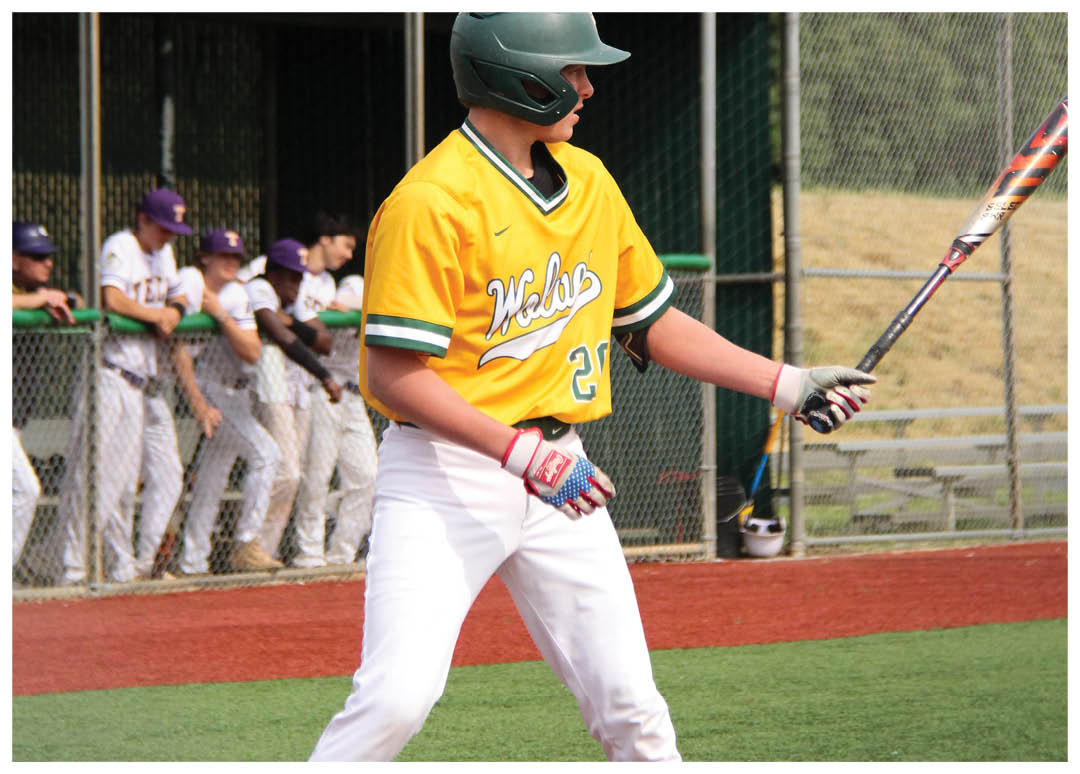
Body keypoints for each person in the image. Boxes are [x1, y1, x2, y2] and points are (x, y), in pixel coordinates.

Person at [308, 13, 875, 763]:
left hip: (562, 473)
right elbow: (392, 375)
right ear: (519, 76)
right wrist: (521, 456)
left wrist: (787, 383)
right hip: (445, 473)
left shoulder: (590, 180)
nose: (587, 87)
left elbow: (651, 322)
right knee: (395, 698)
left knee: (633, 709)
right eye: (572, 70)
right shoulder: (432, 200)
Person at [58, 188, 208, 584]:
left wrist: (174, 311)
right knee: (90, 474)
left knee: (123, 483)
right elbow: (113, 299)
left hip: (139, 382)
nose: (169, 236)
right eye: (163, 228)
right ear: (143, 219)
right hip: (109, 373)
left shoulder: (164, 252)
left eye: (173, 230)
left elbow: (177, 293)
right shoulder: (121, 245)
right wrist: (156, 316)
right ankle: (72, 567)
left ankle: (118, 567)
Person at [173, 228, 285, 575]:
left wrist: (220, 315)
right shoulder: (188, 283)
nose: (231, 261)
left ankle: (192, 561)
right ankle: (246, 543)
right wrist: (199, 405)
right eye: (223, 255)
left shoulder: (235, 293)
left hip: (237, 392)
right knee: (267, 455)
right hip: (212, 389)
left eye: (235, 256)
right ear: (204, 257)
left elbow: (252, 351)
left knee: (212, 480)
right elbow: (178, 351)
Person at [244, 238, 344, 565]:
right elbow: (280, 335)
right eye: (290, 278)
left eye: (299, 278)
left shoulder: (291, 299)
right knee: (284, 469)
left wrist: (293, 322)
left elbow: (325, 342)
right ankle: (249, 544)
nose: (295, 286)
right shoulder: (259, 287)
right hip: (260, 388)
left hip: (294, 389)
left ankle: (265, 551)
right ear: (273, 272)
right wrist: (324, 375)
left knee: (291, 473)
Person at [291, 216, 377, 568]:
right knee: (317, 476)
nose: (350, 254)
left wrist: (352, 308)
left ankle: (341, 553)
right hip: (323, 389)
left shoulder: (339, 284)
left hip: (354, 396)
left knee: (367, 477)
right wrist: (344, 307)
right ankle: (309, 554)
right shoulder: (343, 284)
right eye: (347, 245)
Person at [12, 222, 78, 568]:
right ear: (13, 259)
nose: (47, 263)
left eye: (48, 256)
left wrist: (61, 300)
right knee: (25, 489)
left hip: (15, 419)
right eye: (37, 256)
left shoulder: (36, 291)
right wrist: (41, 299)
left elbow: (78, 300)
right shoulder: (25, 295)